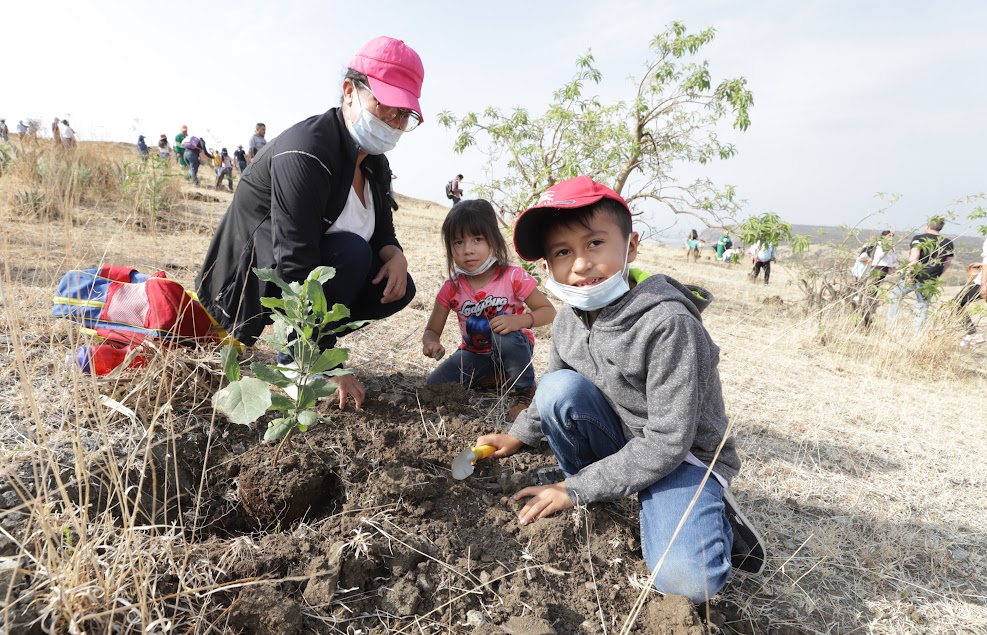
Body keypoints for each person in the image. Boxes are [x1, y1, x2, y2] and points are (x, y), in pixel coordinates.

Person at [474, 176, 765, 605]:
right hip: (621, 439)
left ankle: (713, 512)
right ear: (548, 266)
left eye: (595, 244)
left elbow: (668, 440)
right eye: (562, 252)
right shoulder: (571, 319)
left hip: (680, 457)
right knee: (557, 388)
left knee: (687, 583)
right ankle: (600, 485)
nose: (580, 264)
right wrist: (518, 434)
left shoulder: (668, 324)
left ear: (630, 247)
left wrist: (573, 490)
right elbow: (553, 391)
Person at [196, 36, 425, 410]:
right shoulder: (306, 152)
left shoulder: (374, 163)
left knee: (400, 283)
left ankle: (307, 347)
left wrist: (396, 256)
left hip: (313, 274)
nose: (394, 123)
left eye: (404, 115)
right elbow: (295, 261)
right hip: (252, 282)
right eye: (386, 107)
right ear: (350, 91)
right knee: (351, 252)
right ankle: (297, 361)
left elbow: (383, 234)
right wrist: (327, 362)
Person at [422, 200, 555, 399]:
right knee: (435, 385)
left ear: (492, 240)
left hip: (513, 348)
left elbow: (548, 311)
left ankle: (525, 392)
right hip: (474, 354)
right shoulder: (451, 287)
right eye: (458, 242)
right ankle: (497, 377)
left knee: (502, 332)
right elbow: (432, 330)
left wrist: (519, 321)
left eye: (477, 239)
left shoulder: (513, 276)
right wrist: (431, 342)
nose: (468, 249)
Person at [887, 217, 954, 332]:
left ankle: (891, 326)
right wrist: (936, 275)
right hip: (930, 280)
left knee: (895, 296)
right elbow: (947, 263)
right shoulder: (948, 242)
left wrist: (909, 274)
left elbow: (914, 257)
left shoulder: (919, 238)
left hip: (915, 275)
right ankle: (917, 333)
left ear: (928, 226)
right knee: (922, 306)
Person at [953, 234, 986, 346]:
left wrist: (983, 285)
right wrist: (982, 265)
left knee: (956, 303)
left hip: (983, 283)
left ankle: (973, 334)